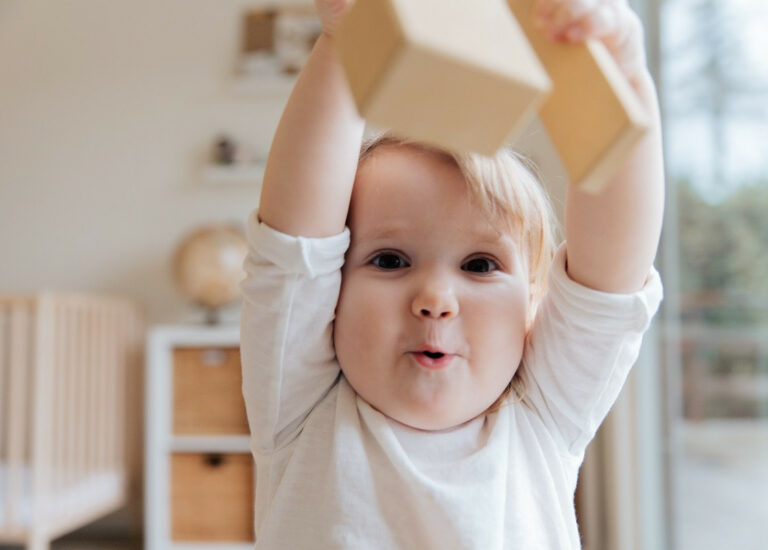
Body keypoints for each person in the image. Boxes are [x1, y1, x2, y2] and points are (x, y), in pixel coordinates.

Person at [239, 0, 664, 547]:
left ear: (532, 305)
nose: (435, 299)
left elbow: (611, 278)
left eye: (480, 266)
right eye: (390, 260)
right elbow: (294, 248)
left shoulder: (543, 414)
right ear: (331, 295)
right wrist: (349, 39)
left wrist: (625, 77)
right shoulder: (301, 404)